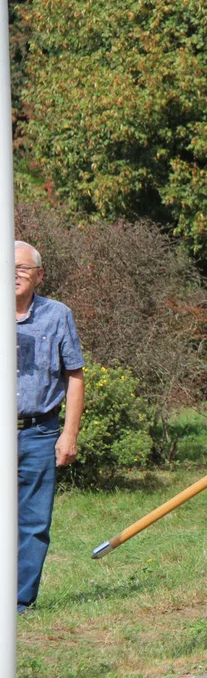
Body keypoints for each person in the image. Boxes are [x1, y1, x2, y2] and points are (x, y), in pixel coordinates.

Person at [16, 240, 84, 614]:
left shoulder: (57, 315)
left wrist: (68, 433)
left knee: (33, 523)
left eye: (22, 268)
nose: (14, 275)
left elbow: (75, 374)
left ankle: (20, 602)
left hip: (39, 432)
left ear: (39, 275)